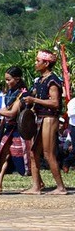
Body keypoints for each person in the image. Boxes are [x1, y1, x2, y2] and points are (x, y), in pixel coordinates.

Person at [22, 49, 68, 195]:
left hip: (49, 118)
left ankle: (61, 187)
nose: (36, 63)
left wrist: (34, 100)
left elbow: (55, 103)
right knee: (34, 152)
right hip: (40, 118)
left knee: (48, 154)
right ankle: (36, 186)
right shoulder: (40, 80)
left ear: (46, 63)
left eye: (38, 61)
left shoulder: (53, 80)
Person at [0, 66, 31, 192]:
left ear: (17, 79)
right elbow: (5, 110)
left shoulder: (23, 94)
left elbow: (11, 113)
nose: (7, 83)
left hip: (20, 129)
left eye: (9, 80)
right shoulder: (10, 93)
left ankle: (38, 182)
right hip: (10, 128)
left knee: (25, 157)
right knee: (4, 154)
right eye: (6, 80)